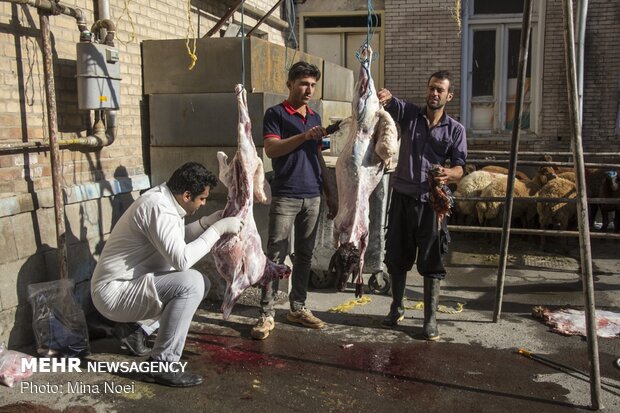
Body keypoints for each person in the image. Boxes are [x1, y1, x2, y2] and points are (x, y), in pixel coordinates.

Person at [91, 162, 244, 387]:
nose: (203, 204)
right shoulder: (158, 207)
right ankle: (162, 365)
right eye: (202, 199)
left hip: (127, 286)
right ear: (186, 195)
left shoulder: (165, 201)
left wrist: (206, 223)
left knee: (202, 283)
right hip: (113, 293)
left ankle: (137, 330)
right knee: (191, 283)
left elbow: (173, 239)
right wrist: (218, 229)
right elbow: (181, 260)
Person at [377, 71, 467, 341]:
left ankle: (430, 320)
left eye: (440, 90)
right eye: (431, 88)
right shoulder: (410, 116)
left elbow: (461, 168)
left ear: (448, 96)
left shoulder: (456, 130)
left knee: (431, 260)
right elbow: (392, 102)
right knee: (396, 257)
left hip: (432, 204)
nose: (434, 94)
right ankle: (397, 307)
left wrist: (447, 174)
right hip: (402, 198)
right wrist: (385, 96)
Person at [251, 61, 337, 340]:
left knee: (305, 255)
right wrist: (303, 136)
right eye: (303, 83)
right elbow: (272, 149)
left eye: (312, 84)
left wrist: (331, 192)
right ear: (289, 84)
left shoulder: (314, 116)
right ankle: (266, 313)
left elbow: (318, 156)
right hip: (286, 194)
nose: (308, 89)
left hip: (313, 195)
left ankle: (297, 307)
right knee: (275, 254)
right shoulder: (275, 113)